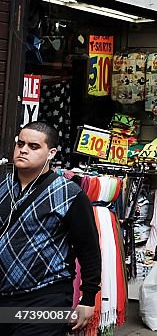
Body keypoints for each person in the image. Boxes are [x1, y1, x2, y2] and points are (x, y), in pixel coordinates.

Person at [0, 122, 99, 335]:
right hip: (4, 294)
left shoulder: (70, 194)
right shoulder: (2, 186)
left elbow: (88, 249)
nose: (23, 150)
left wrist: (88, 298)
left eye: (34, 146)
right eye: (20, 143)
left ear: (51, 153)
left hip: (46, 296)